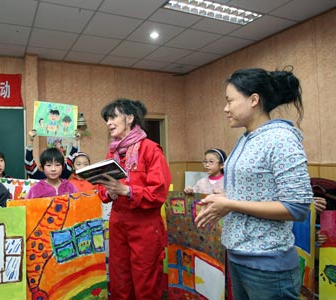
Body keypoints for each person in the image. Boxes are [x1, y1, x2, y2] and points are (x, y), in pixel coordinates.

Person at [195, 67, 313, 299]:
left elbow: (297, 207)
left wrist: (231, 204)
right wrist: (222, 200)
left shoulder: (280, 138)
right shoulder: (246, 139)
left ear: (254, 100)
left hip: (268, 264)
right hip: (239, 256)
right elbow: (250, 192)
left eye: (230, 101)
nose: (225, 108)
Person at [96, 98, 172, 299]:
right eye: (107, 119)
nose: (108, 123)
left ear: (129, 118)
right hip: (118, 222)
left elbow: (159, 192)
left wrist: (127, 190)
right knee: (119, 278)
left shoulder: (150, 149)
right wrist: (110, 192)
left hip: (145, 225)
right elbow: (102, 189)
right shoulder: (112, 152)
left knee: (145, 279)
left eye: (112, 117)